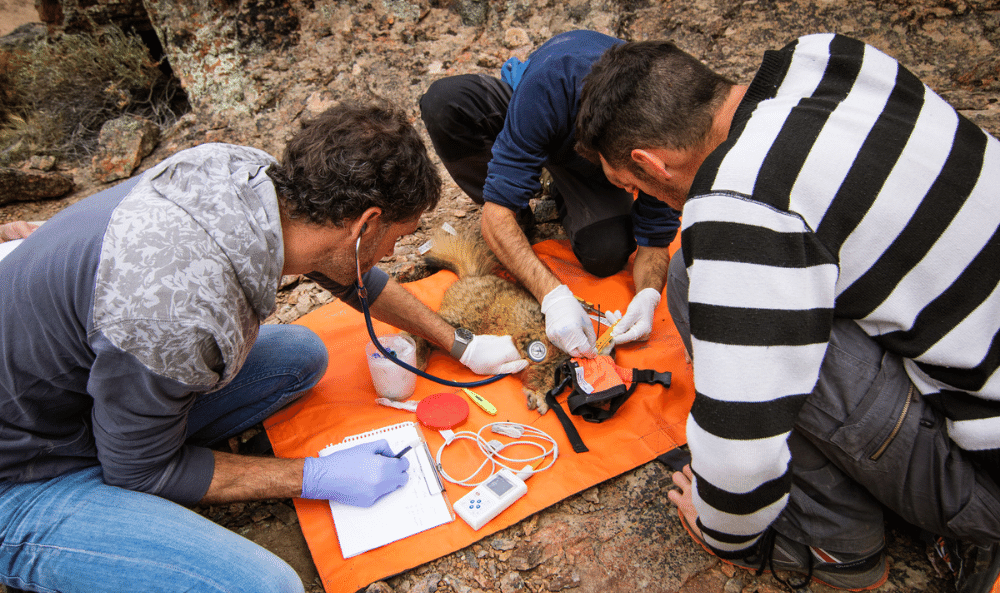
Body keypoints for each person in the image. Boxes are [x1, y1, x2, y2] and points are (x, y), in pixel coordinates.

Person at [0, 102, 528, 593]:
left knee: (299, 356)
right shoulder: (182, 315)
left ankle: (132, 432)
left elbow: (348, 271)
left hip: (76, 397)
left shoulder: (247, 175)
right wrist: (315, 477)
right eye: (398, 236)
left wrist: (459, 341)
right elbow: (140, 472)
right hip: (22, 471)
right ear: (367, 224)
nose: (393, 251)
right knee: (268, 585)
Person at [575, 34, 1000, 592]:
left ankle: (836, 544)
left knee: (704, 288)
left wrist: (721, 529)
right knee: (703, 273)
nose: (641, 199)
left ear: (651, 163)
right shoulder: (833, 59)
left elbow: (741, 454)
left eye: (633, 186)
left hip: (988, 479)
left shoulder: (741, 203)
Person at [419, 29, 681, 359]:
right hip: (538, 112)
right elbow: (494, 218)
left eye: (639, 186)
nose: (633, 192)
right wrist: (552, 296)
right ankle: (522, 188)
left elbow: (655, 241)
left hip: (585, 152)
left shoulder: (665, 137)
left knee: (606, 251)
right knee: (445, 103)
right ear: (606, 152)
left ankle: (555, 181)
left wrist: (648, 296)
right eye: (630, 184)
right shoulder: (549, 87)